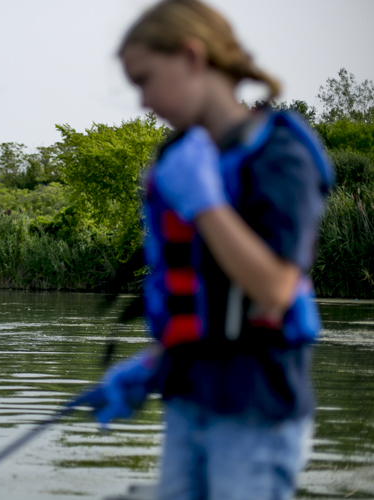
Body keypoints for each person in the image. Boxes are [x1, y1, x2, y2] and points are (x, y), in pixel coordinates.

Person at [79, 1, 334, 499]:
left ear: (192, 58)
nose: (143, 101)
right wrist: (152, 362)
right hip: (189, 396)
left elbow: (274, 289)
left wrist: (205, 202)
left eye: (146, 79)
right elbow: (206, 296)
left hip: (256, 410)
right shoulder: (180, 155)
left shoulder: (281, 156)